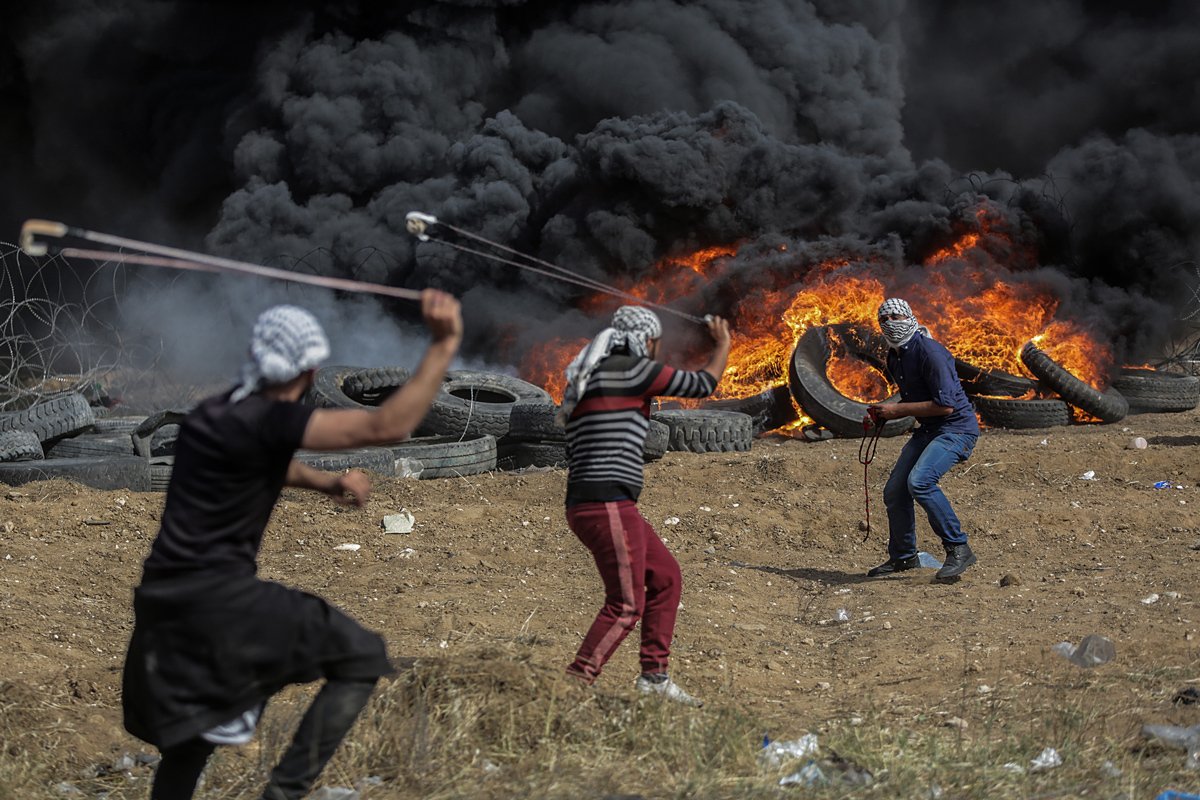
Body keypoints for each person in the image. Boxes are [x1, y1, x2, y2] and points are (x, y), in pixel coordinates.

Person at [122, 290, 462, 800]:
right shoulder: (272, 418)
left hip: (162, 604)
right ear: (307, 371)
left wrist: (324, 484)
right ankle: (283, 794)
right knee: (361, 655)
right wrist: (443, 342)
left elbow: (263, 460)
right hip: (221, 601)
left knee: (191, 739)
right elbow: (386, 425)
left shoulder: (211, 416)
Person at [557, 305, 731, 706]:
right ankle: (571, 688)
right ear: (646, 342)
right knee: (626, 604)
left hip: (598, 502)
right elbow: (703, 384)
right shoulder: (631, 369)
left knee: (666, 576)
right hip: (605, 500)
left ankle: (654, 678)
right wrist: (722, 343)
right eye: (656, 344)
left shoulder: (595, 376)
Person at [865, 297, 980, 581]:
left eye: (896, 316)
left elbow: (945, 406)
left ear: (910, 318)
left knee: (920, 481)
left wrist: (895, 410)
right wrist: (881, 413)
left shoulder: (931, 353)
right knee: (894, 491)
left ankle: (958, 548)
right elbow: (915, 396)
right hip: (929, 430)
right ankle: (904, 557)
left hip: (956, 429)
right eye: (884, 319)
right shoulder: (895, 356)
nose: (890, 323)